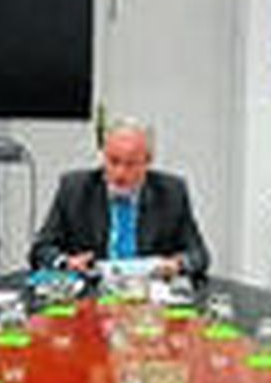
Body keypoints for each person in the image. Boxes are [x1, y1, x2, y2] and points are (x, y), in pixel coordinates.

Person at [29, 117, 210, 278]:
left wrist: (177, 265)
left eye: (130, 164)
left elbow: (199, 255)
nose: (120, 173)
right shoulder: (74, 189)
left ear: (148, 161)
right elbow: (40, 250)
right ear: (103, 156)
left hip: (149, 299)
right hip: (91, 295)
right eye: (113, 161)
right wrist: (67, 262)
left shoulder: (172, 193)